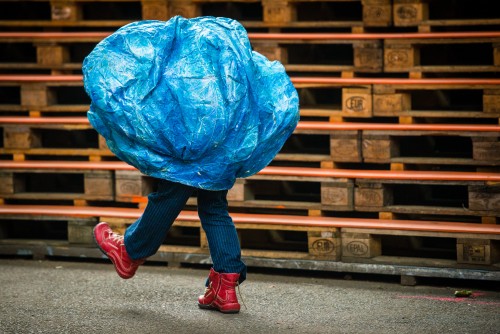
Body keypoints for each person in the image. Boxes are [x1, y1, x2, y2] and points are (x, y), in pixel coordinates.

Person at [94, 178, 246, 314]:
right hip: (222, 148)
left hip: (194, 146)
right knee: (214, 205)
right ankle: (225, 290)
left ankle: (129, 252)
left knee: (174, 187)